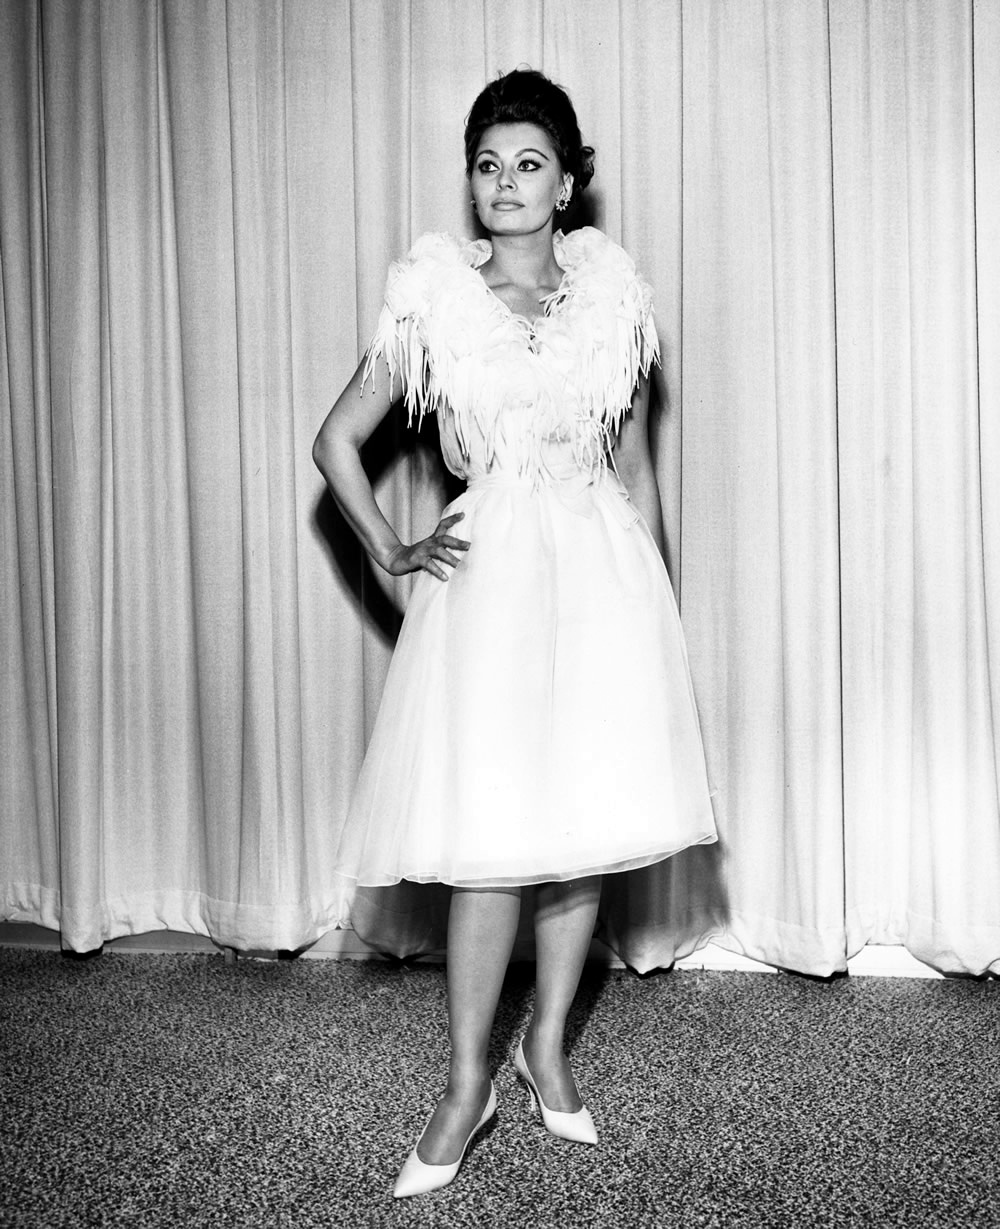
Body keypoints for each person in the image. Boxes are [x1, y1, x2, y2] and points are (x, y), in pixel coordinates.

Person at [313, 68, 717, 1198]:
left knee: (580, 828)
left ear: (566, 184)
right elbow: (335, 440)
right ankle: (466, 1083)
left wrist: (658, 608)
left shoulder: (612, 301)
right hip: (488, 586)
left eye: (528, 163)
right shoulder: (436, 302)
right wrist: (390, 546)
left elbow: (634, 467)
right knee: (488, 837)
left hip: (601, 580)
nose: (505, 183)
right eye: (488, 164)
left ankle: (546, 1047)